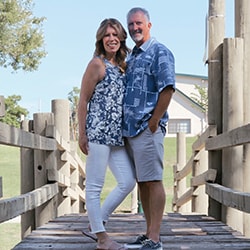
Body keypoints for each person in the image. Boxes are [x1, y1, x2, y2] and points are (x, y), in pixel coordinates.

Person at [78, 18, 136, 250]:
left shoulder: (122, 66)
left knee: (127, 181)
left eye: (115, 35)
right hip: (99, 133)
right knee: (94, 186)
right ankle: (102, 239)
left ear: (121, 38)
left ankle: (97, 222)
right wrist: (81, 134)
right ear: (101, 39)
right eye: (107, 35)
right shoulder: (97, 65)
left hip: (117, 136)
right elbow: (83, 101)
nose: (111, 39)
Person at [123, 7, 176, 250]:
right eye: (131, 24)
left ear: (149, 25)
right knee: (143, 181)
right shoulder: (132, 56)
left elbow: (167, 88)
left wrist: (154, 122)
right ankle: (148, 234)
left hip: (148, 127)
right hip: (131, 130)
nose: (135, 28)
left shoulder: (159, 52)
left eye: (139, 23)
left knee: (153, 180)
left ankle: (155, 237)